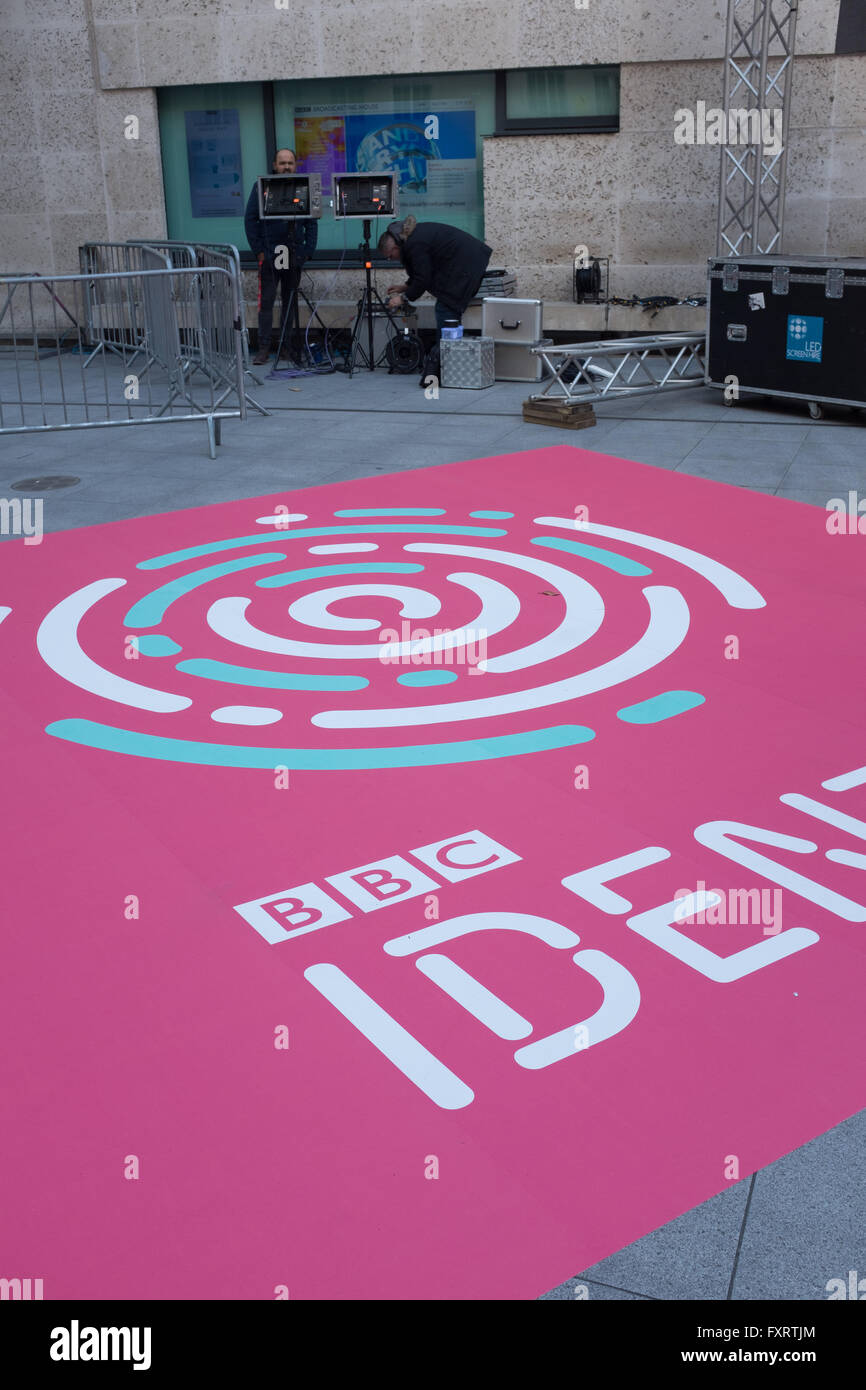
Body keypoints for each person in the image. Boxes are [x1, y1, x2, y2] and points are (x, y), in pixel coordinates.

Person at [244, 148, 318, 364]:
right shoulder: (261, 188)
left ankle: (286, 347)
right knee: (266, 302)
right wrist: (259, 251)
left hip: (294, 254)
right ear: (275, 165)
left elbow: (312, 222)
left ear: (295, 166)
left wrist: (307, 252)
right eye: (282, 163)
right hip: (269, 254)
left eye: (290, 163)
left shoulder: (303, 187)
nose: (286, 166)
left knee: (290, 302)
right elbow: (250, 220)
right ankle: (264, 348)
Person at [378, 217, 492, 334]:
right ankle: (452, 345)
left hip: (466, 265)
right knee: (447, 309)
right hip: (467, 262)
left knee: (446, 308)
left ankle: (447, 348)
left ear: (396, 248)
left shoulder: (414, 244)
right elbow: (421, 270)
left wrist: (402, 298)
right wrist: (406, 286)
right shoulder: (411, 239)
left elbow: (423, 278)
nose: (391, 259)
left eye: (390, 256)